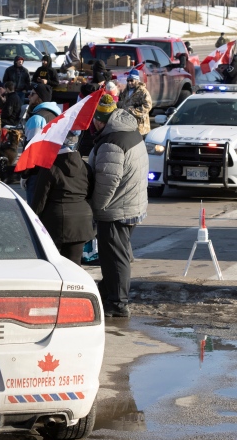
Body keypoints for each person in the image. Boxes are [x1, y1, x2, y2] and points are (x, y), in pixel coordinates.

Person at [87, 95, 148, 318]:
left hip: (116, 209)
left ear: (102, 120)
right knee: (117, 254)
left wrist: (95, 208)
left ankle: (118, 303)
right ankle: (110, 292)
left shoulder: (111, 143)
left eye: (96, 119)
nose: (94, 123)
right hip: (130, 204)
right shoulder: (128, 130)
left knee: (115, 257)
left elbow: (107, 181)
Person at [29, 131, 94, 266]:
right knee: (75, 265)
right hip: (81, 222)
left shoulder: (50, 167)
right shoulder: (86, 167)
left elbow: (40, 198)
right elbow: (91, 192)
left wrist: (33, 219)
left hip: (55, 221)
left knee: (53, 264)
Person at [23, 84, 61, 202]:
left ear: (39, 98)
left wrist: (25, 175)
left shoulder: (37, 118)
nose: (29, 96)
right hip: (53, 169)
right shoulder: (56, 115)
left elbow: (32, 150)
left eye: (32, 94)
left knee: (34, 213)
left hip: (36, 173)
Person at [117, 69, 153, 135]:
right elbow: (122, 102)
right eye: (128, 80)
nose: (129, 83)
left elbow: (148, 106)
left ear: (137, 80)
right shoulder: (126, 91)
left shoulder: (142, 91)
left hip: (140, 125)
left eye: (131, 80)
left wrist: (134, 111)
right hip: (128, 123)